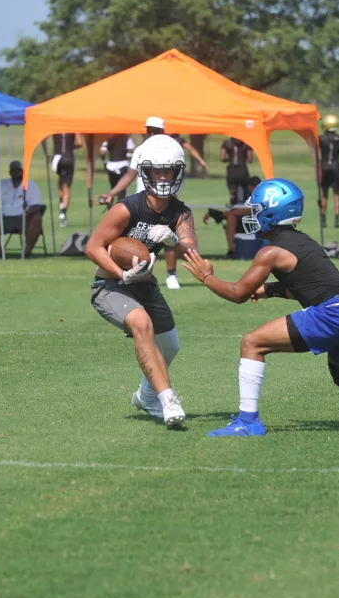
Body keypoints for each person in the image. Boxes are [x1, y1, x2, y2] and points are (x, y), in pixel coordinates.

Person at [180, 178, 339, 436]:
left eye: (257, 210)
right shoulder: (303, 241)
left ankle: (248, 422)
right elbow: (305, 286)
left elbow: (237, 294)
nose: (253, 216)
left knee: (252, 343)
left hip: (332, 313)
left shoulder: (270, 252)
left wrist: (206, 277)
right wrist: (269, 290)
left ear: (272, 214)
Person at [84, 134, 198, 428]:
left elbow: (190, 248)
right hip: (110, 285)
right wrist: (120, 273)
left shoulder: (180, 213)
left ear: (179, 172)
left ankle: (146, 396)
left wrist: (173, 240)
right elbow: (93, 246)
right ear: (145, 172)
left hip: (145, 285)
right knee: (141, 323)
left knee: (170, 345)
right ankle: (167, 399)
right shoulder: (126, 208)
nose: (163, 177)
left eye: (169, 170)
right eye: (157, 170)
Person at [96, 117, 210, 290]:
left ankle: (171, 274)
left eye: (155, 130)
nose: (151, 133)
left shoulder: (173, 148)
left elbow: (192, 250)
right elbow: (130, 175)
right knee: (130, 243)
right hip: (141, 203)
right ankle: (122, 277)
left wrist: (174, 241)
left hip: (166, 203)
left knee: (168, 236)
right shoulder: (141, 151)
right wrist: (112, 193)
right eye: (149, 130)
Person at [0, 160, 44, 258]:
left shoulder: (31, 186)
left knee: (37, 219)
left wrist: (26, 214)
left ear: (23, 171)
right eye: (13, 169)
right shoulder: (2, 184)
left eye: (18, 169)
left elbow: (36, 207)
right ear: (10, 172)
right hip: (4, 217)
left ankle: (27, 252)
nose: (15, 171)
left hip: (23, 217)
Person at [203, 176, 262, 258]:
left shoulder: (263, 194)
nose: (253, 188)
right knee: (231, 217)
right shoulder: (242, 194)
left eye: (255, 186)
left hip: (259, 220)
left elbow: (254, 209)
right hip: (243, 220)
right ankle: (231, 249)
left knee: (231, 214)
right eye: (252, 186)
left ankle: (219, 215)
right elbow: (235, 207)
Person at [318, 115, 339, 229]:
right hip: (336, 168)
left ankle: (323, 220)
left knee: (324, 194)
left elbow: (316, 152)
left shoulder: (321, 138)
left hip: (324, 168)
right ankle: (336, 220)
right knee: (336, 194)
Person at [51, 132, 84, 228]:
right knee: (66, 187)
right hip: (68, 157)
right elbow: (80, 143)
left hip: (56, 159)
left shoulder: (56, 127)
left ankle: (61, 203)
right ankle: (63, 212)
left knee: (60, 182)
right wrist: (71, 146)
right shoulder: (73, 127)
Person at [100, 134, 134, 202]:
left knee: (113, 187)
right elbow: (129, 153)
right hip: (123, 165)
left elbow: (103, 152)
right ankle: (120, 206)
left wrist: (104, 162)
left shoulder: (109, 138)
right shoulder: (127, 139)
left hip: (111, 166)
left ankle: (110, 205)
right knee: (122, 188)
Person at [220, 136, 253, 205]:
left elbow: (222, 158)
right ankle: (245, 206)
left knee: (233, 190)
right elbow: (249, 159)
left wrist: (229, 160)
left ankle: (233, 201)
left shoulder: (227, 143)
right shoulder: (246, 143)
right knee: (246, 189)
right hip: (242, 169)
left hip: (231, 169)